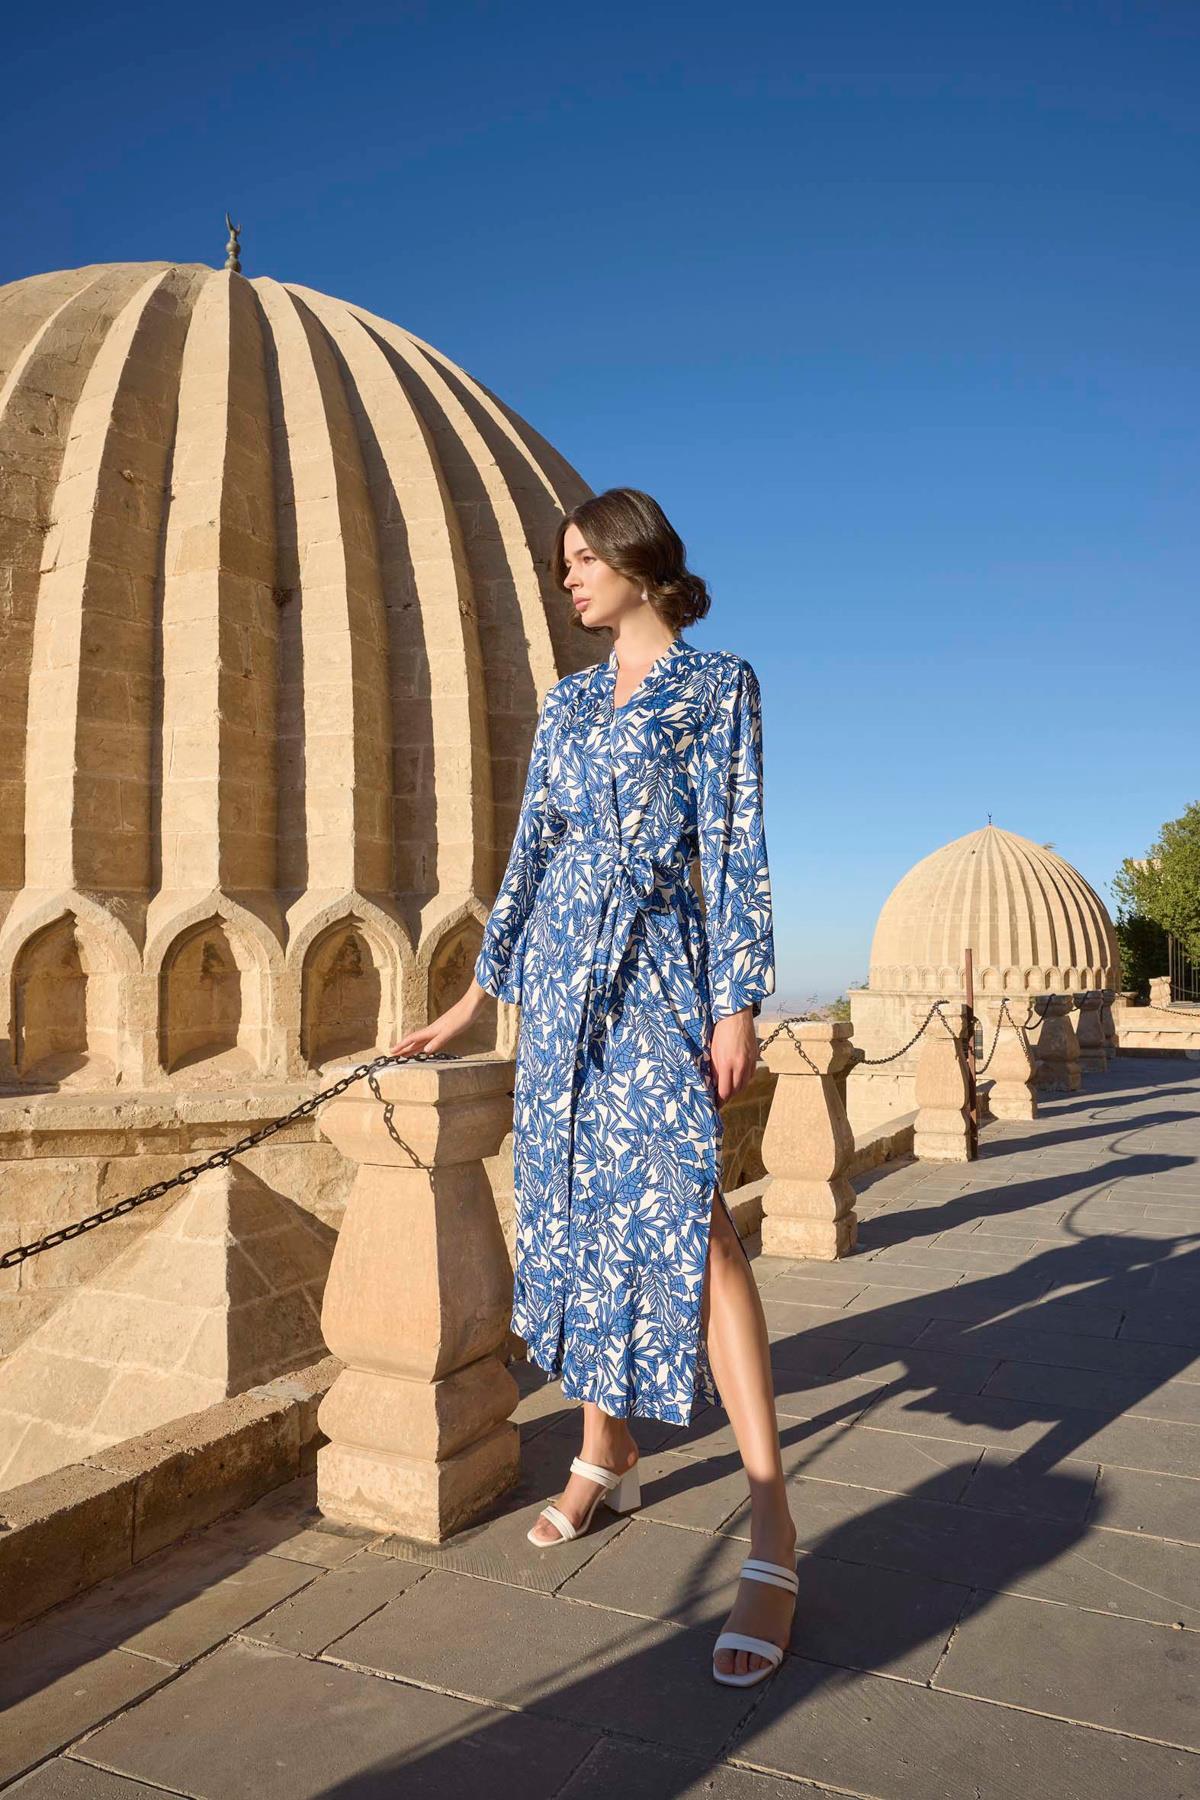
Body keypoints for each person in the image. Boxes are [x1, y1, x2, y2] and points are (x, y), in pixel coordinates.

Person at [392, 487, 798, 1687]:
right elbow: (533, 852)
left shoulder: (717, 686)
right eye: (562, 560)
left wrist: (736, 999)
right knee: (573, 1214)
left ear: (636, 561)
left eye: (581, 558)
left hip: (661, 976)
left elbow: (736, 842)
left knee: (695, 1227)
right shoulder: (569, 703)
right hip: (564, 989)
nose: (567, 576)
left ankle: (773, 1521)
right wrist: (476, 999)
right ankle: (603, 1453)